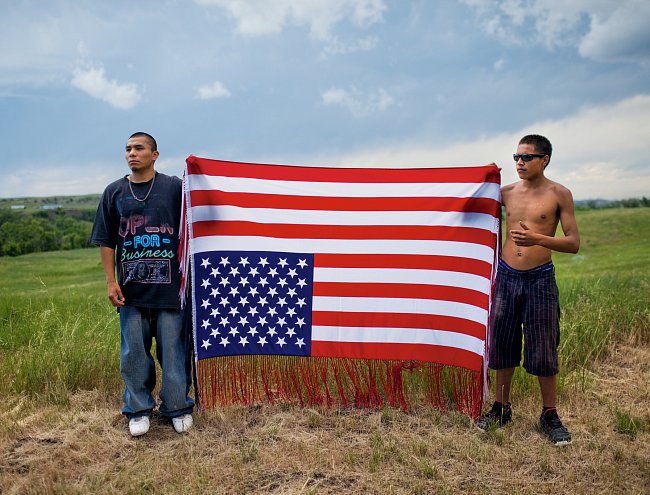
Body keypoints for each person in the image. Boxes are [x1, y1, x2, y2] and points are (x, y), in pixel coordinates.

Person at [476, 134, 580, 446]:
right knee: (504, 344)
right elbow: (467, 203)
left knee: (543, 347)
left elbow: (573, 243)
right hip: (507, 277)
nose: (519, 163)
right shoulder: (504, 193)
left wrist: (539, 239)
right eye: (516, 157)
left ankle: (549, 414)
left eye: (527, 157)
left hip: (540, 278)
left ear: (544, 159)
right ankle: (501, 408)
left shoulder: (559, 194)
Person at [91, 132, 194, 437]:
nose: (131, 153)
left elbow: (200, 207)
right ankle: (138, 409)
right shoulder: (114, 192)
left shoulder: (174, 187)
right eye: (127, 149)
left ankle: (178, 407)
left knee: (173, 351)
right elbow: (106, 241)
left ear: (154, 154)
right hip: (131, 290)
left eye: (139, 148)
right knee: (133, 353)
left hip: (170, 288)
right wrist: (111, 282)